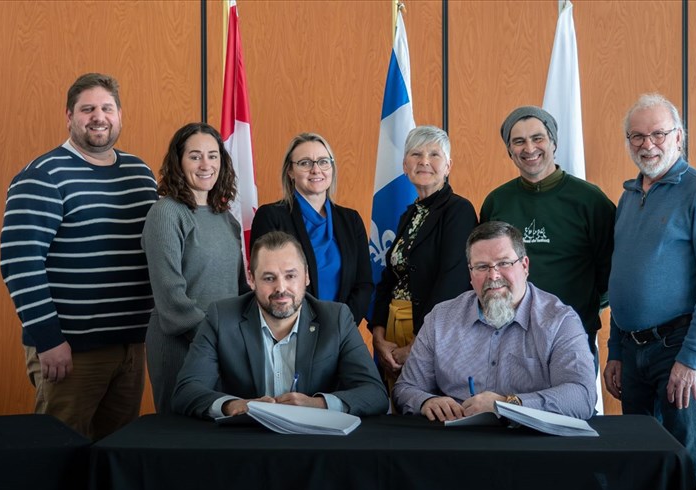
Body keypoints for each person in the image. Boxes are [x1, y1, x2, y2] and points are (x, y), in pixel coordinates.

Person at [0, 73, 157, 439]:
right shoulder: (43, 175)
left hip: (131, 347)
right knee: (60, 454)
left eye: (106, 108)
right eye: (87, 109)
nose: (98, 117)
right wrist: (48, 339)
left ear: (120, 115)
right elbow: (19, 263)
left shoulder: (140, 173)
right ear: (69, 116)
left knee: (116, 455)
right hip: (70, 350)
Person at [604, 93, 696, 476]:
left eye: (658, 134)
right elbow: (621, 278)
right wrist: (614, 349)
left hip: (678, 348)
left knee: (684, 457)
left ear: (679, 136)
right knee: (639, 459)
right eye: (637, 136)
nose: (648, 144)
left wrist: (690, 360)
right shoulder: (628, 197)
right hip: (631, 348)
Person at [172, 231, 388, 419]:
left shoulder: (336, 318)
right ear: (251, 279)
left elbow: (374, 394)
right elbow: (186, 391)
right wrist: (234, 405)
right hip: (246, 443)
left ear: (306, 276)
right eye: (268, 278)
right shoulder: (222, 317)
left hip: (316, 445)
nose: (281, 288)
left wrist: (318, 405)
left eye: (290, 275)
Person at [394, 221, 596, 421]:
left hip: (531, 441)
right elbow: (406, 388)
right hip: (456, 441)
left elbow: (582, 397)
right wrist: (426, 401)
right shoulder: (440, 318)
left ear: (525, 266)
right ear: (470, 274)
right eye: (482, 267)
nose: (493, 275)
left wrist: (508, 404)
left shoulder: (560, 321)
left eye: (504, 263)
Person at [480, 106, 615, 361]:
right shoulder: (497, 202)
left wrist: (579, 309)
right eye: (518, 141)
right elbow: (485, 269)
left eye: (537, 138)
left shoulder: (590, 201)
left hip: (572, 337)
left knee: (570, 401)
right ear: (510, 151)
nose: (529, 148)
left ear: (553, 143)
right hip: (509, 339)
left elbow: (611, 276)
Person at [142, 122, 247, 413]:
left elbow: (238, 289)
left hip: (224, 345)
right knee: (182, 435)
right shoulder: (166, 213)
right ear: (178, 161)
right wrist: (218, 340)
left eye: (213, 156)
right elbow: (170, 297)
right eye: (195, 156)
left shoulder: (226, 218)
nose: (206, 164)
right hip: (180, 345)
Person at [370, 126, 477, 394]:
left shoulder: (459, 210)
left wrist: (419, 344)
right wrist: (379, 335)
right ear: (405, 166)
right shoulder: (409, 215)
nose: (424, 161)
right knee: (399, 408)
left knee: (429, 407)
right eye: (416, 154)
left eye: (434, 154)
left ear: (448, 165)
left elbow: (452, 280)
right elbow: (389, 277)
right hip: (395, 326)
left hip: (431, 332)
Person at [250, 133, 372, 324]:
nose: (316, 170)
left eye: (323, 162)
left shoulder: (351, 220)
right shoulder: (271, 217)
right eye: (305, 163)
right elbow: (267, 281)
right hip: (289, 330)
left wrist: (342, 325)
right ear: (290, 171)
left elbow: (363, 284)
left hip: (341, 331)